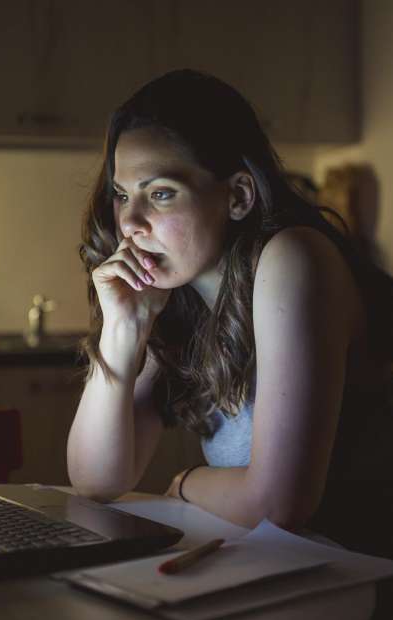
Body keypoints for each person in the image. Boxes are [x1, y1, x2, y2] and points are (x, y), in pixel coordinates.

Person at [67, 69, 393, 559]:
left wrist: (184, 484)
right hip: (293, 570)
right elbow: (96, 481)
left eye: (160, 193)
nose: (130, 223)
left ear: (238, 195)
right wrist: (122, 329)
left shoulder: (293, 258)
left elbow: (280, 503)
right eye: (122, 194)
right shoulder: (175, 295)